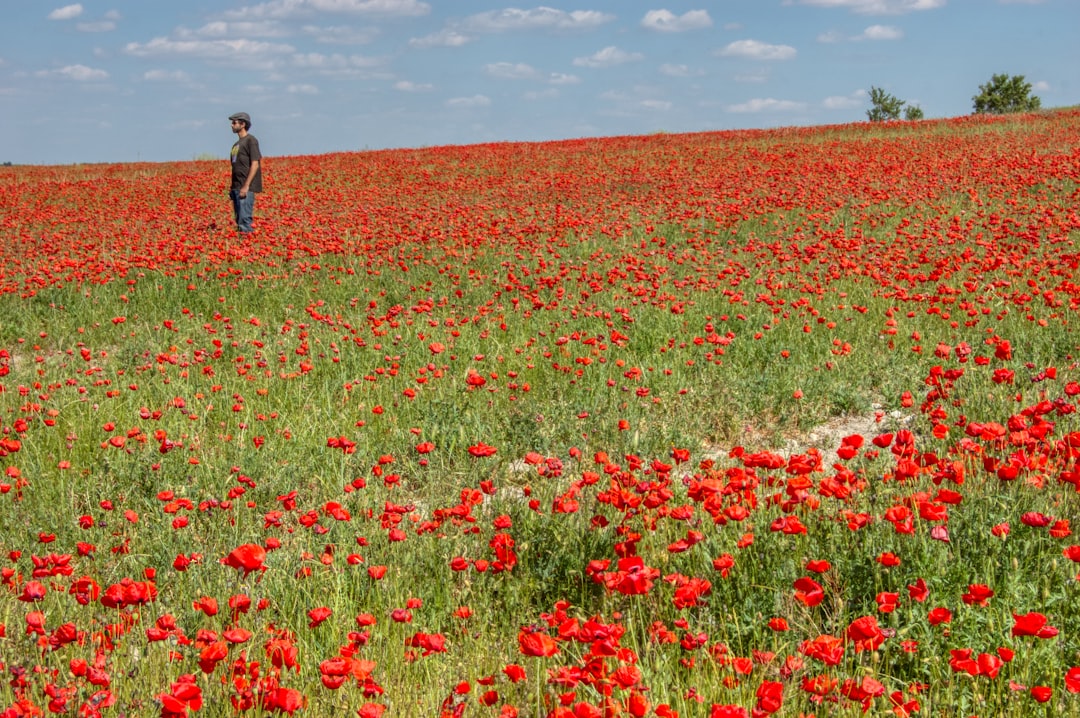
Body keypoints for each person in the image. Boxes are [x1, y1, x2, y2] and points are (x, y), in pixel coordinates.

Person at [228, 112, 262, 234]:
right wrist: (232, 188)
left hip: (245, 188)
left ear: (242, 124)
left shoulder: (251, 141)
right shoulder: (236, 145)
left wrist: (246, 186)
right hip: (237, 188)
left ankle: (248, 249)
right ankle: (242, 248)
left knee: (244, 221)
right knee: (239, 220)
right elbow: (235, 167)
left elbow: (255, 163)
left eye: (234, 122)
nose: (231, 125)